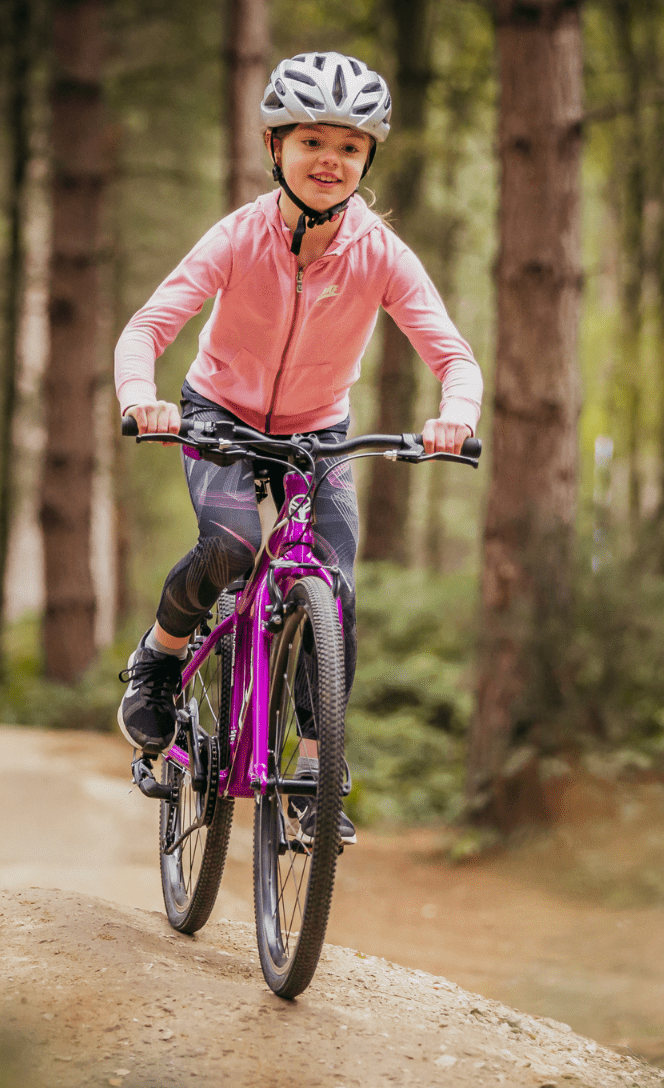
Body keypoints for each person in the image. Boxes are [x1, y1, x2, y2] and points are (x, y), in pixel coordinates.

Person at [113, 51, 482, 846]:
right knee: (234, 544)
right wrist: (142, 399)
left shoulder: (380, 251)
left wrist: (455, 415)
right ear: (275, 147)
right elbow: (150, 326)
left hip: (320, 432)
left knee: (333, 585)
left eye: (350, 148)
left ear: (367, 161)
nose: (331, 160)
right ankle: (161, 652)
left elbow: (453, 356)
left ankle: (315, 772)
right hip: (219, 414)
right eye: (313, 140)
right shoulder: (239, 236)